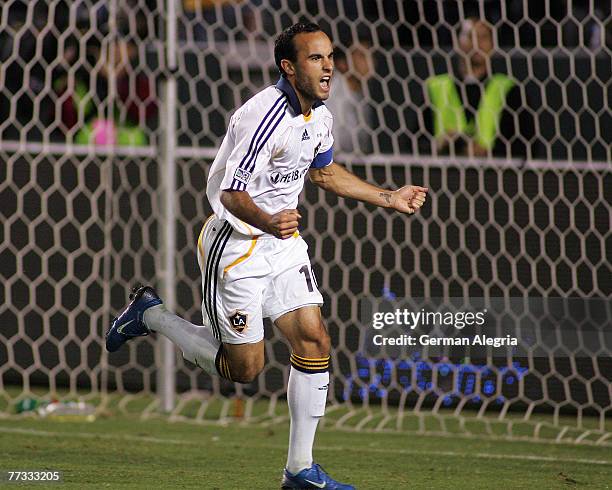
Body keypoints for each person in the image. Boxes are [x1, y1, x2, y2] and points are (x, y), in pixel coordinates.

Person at [106, 22, 427, 489]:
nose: (328, 65)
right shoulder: (263, 116)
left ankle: (299, 470)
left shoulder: (319, 114)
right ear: (289, 66)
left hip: (281, 245)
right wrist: (268, 221)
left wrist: (388, 197)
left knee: (314, 340)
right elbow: (232, 194)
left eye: (329, 56)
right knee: (245, 370)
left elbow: (324, 174)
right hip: (235, 246)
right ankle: (152, 315)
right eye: (316, 58)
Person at [425, 18, 535, 159]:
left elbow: (526, 147)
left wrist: (486, 152)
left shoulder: (509, 90)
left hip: (496, 177)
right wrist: (439, 145)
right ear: (457, 41)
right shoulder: (436, 87)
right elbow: (413, 143)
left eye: (483, 37)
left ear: (493, 45)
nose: (477, 44)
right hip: (443, 175)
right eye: (470, 36)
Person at [324, 40, 375, 155]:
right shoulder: (329, 93)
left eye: (371, 55)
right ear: (343, 63)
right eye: (362, 56)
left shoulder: (363, 97)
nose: (371, 62)